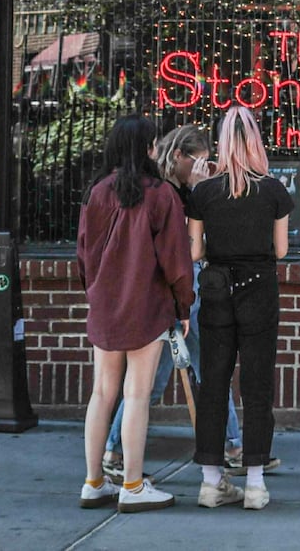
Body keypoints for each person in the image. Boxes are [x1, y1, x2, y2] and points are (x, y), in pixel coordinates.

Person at [104, 126, 246, 481]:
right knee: (202, 369)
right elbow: (182, 242)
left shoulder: (177, 188)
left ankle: (115, 449)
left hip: (184, 289)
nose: (203, 167)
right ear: (180, 156)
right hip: (180, 288)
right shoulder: (165, 191)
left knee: (181, 374)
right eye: (198, 161)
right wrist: (199, 193)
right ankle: (232, 445)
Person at [77, 116, 194, 512]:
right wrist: (184, 306)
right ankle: (132, 484)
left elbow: (83, 252)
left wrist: (94, 293)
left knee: (101, 393)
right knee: (137, 396)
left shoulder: (97, 192)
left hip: (105, 306)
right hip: (147, 306)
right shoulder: (161, 195)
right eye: (155, 143)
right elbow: (177, 262)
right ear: (147, 148)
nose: (158, 148)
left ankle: (94, 481)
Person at [186, 107, 294, 510]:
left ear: (221, 143)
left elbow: (195, 252)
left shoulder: (203, 193)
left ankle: (211, 481)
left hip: (215, 289)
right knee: (257, 384)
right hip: (259, 288)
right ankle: (254, 482)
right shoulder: (274, 190)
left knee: (213, 382)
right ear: (254, 142)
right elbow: (280, 251)